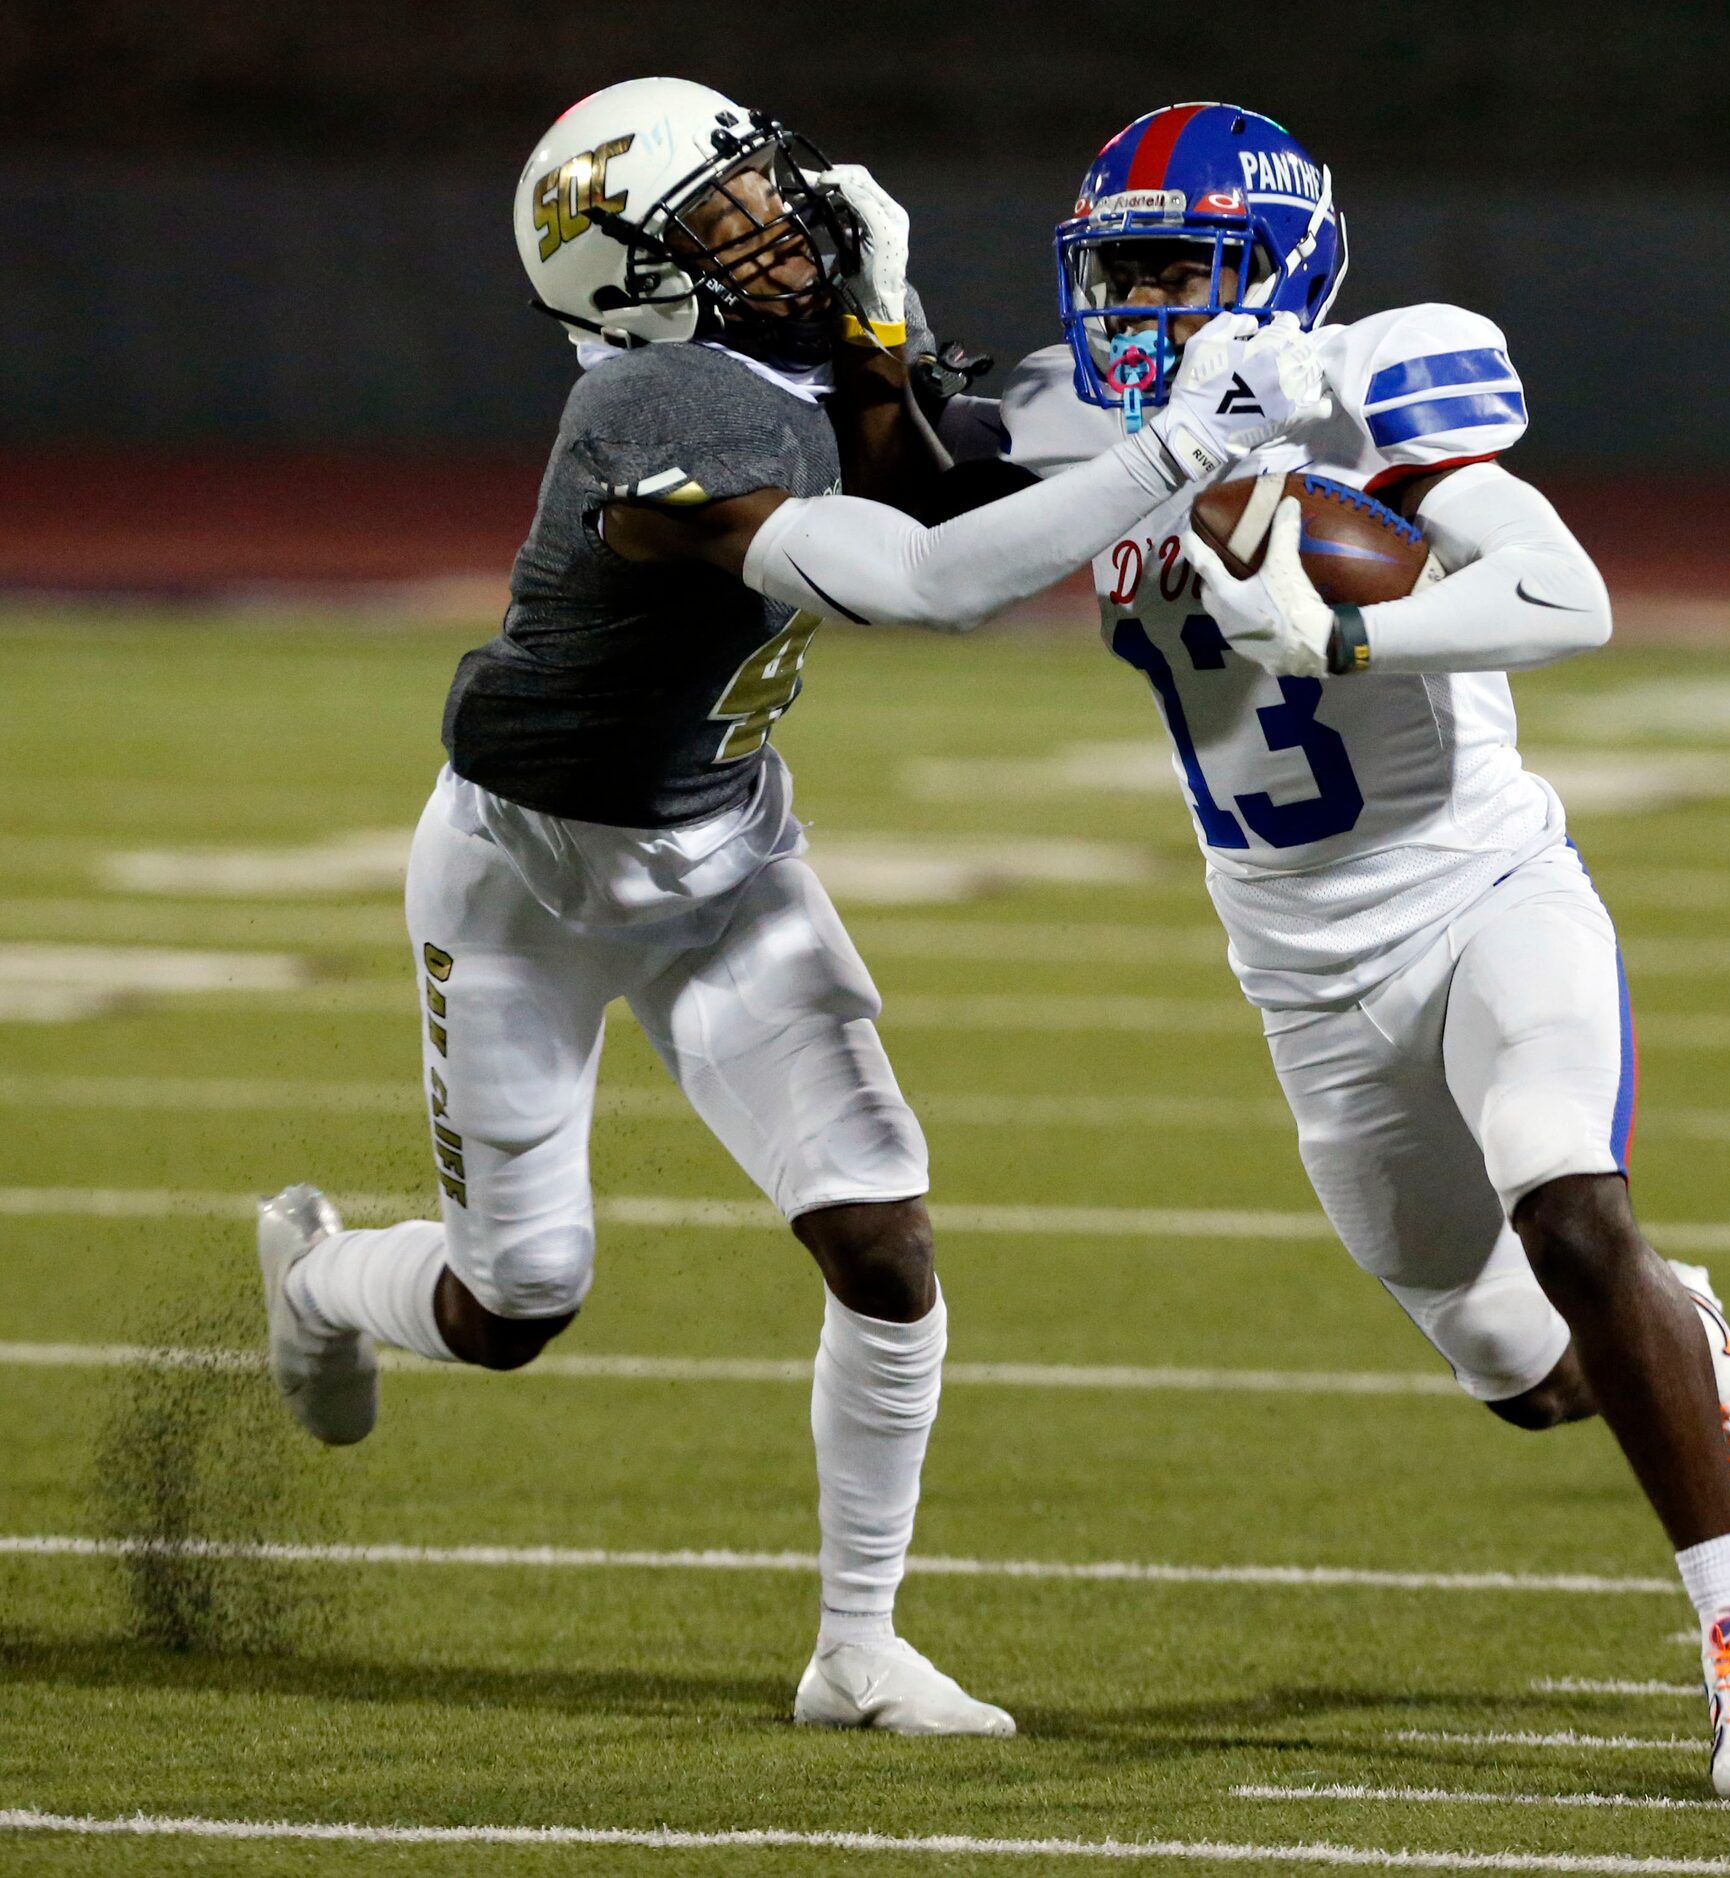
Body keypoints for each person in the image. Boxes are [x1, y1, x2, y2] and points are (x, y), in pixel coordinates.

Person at [255, 77, 1326, 1737]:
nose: (781, 217)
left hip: (728, 856)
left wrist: (894, 337)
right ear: (630, 276)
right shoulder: (658, 409)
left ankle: (855, 1646)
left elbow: (935, 481)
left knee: (883, 1238)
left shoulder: (799, 347)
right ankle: (322, 1276)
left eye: (764, 183)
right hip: (531, 874)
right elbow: (921, 577)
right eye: (728, 212)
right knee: (515, 1300)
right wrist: (1179, 442)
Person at [927, 102, 1730, 1799]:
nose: (1131, 313)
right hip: (1297, 971)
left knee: (1569, 1197)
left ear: (1277, 268)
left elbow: (1572, 601)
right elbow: (916, 513)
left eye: (1171, 273)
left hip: (1478, 888)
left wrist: (1353, 626)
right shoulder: (1075, 417)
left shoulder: (1377, 384)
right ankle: (1683, 1336)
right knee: (1524, 1370)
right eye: (1111, 274)